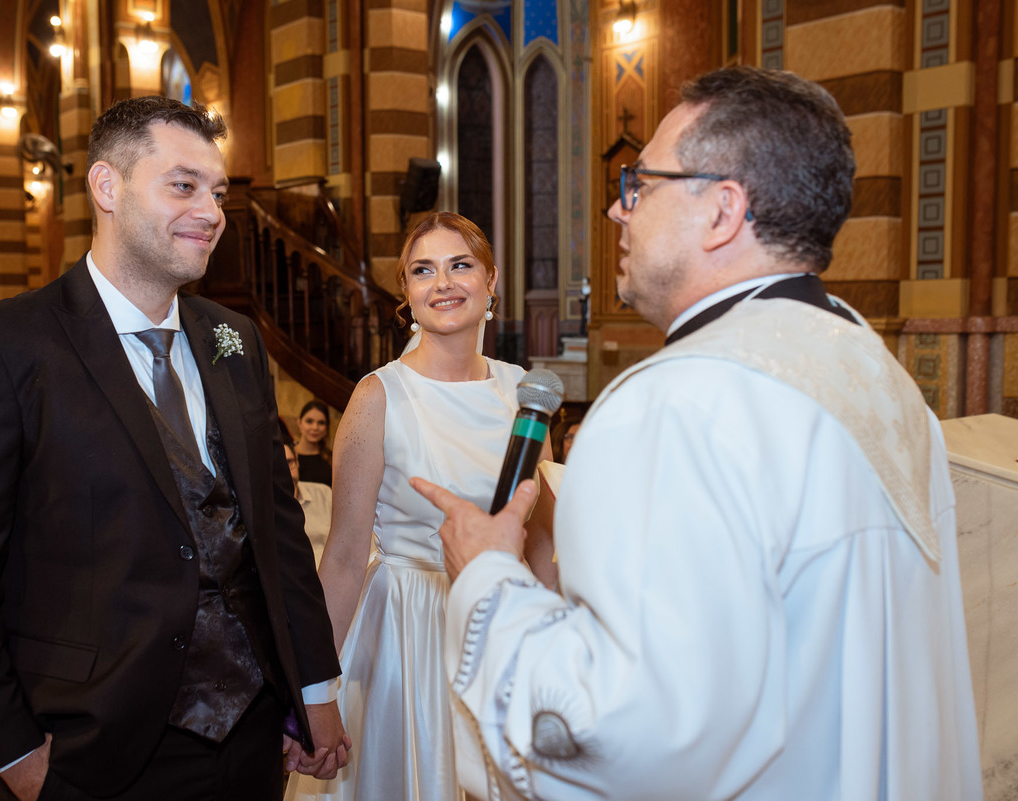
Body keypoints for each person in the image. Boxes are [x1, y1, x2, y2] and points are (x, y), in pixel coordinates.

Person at [413, 67, 982, 801]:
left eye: (640, 185)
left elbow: (623, 736)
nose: (619, 212)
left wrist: (489, 575)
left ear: (722, 210)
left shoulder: (678, 403)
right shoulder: (881, 379)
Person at [0, 96, 349, 801]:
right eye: (183, 185)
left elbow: (278, 535)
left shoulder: (236, 340)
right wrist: (13, 750)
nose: (211, 211)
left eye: (218, 191)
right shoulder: (1, 346)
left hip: (254, 733)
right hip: (95, 750)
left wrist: (311, 689)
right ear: (106, 187)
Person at [287, 212, 555, 801]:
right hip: (405, 634)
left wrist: (556, 661)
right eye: (422, 270)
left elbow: (539, 544)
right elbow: (344, 554)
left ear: (490, 281)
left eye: (460, 265)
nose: (443, 283)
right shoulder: (378, 395)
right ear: (407, 293)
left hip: (499, 629)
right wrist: (316, 691)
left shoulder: (526, 395)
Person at [285, 440, 333, 565]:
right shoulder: (265, 507)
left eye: (289, 462)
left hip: (330, 572)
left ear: (297, 461)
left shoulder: (323, 494)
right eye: (279, 465)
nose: (285, 471)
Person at [294, 400, 333, 486]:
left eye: (321, 423)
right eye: (309, 421)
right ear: (299, 423)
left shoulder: (333, 459)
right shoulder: (287, 455)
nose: (315, 427)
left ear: (327, 428)